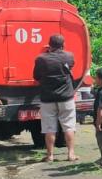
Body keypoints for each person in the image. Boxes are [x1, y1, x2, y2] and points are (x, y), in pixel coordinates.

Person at [32, 34, 78, 162]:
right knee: (69, 126)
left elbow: (36, 76)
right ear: (63, 44)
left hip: (47, 98)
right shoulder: (69, 56)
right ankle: (70, 154)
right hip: (66, 97)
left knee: (49, 128)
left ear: (49, 44)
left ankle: (50, 155)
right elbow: (70, 67)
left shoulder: (41, 59)